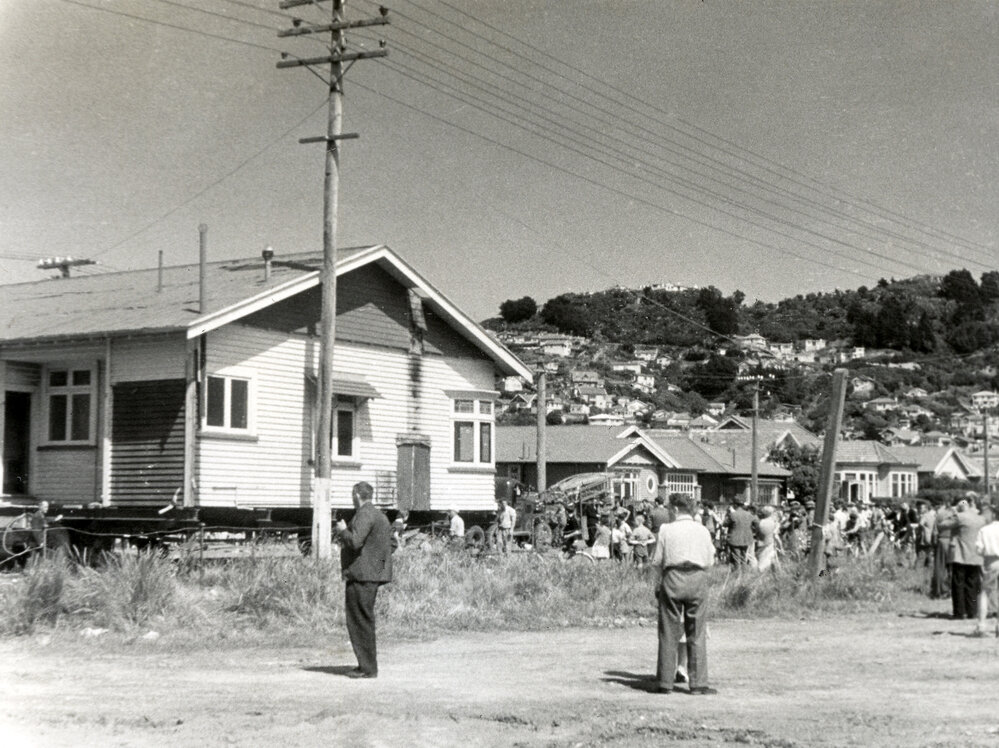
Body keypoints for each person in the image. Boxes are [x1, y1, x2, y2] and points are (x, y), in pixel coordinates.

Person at [651, 493, 717, 695]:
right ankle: (698, 684)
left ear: (676, 509)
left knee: (668, 631)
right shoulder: (703, 530)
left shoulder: (666, 530)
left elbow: (657, 560)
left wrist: (659, 583)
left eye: (671, 509)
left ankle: (665, 682)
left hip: (672, 577)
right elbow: (709, 561)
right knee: (696, 631)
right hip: (697, 577)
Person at [335, 481, 393, 679]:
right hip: (370, 575)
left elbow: (355, 541)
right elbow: (391, 544)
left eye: (353, 496)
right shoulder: (380, 516)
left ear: (356, 495)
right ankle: (367, 666)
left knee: (359, 620)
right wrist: (377, 566)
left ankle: (367, 668)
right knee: (364, 619)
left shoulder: (364, 514)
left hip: (361, 576)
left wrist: (343, 530)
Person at [938, 498, 985, 621]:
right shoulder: (980, 519)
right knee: (973, 584)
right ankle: (972, 611)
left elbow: (941, 525)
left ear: (960, 506)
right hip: (975, 555)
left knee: (958, 584)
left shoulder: (959, 517)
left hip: (960, 555)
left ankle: (959, 612)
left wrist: (953, 513)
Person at [974, 506, 999, 637]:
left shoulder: (984, 530)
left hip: (991, 561)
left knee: (984, 593)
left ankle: (981, 625)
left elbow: (978, 549)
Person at [724, 499, 757, 568]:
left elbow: (724, 524)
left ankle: (737, 574)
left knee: (736, 558)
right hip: (746, 539)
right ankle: (744, 573)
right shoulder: (749, 514)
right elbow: (757, 523)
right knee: (743, 557)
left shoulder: (732, 515)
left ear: (735, 505)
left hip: (735, 539)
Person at [755, 505, 778, 572]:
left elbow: (757, 533)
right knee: (769, 559)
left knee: (761, 559)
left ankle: (761, 571)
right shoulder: (773, 522)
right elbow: (775, 534)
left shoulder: (760, 522)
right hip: (770, 542)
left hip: (761, 542)